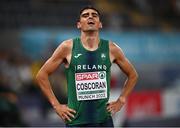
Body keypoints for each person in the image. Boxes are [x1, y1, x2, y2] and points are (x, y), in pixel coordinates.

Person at [36, 6, 138, 127]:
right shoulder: (67, 47)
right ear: (79, 25)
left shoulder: (111, 49)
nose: (90, 16)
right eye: (85, 15)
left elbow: (133, 75)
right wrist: (56, 105)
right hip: (77, 122)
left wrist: (121, 100)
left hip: (103, 121)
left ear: (100, 24)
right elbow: (41, 75)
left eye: (94, 15)